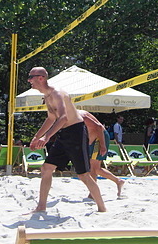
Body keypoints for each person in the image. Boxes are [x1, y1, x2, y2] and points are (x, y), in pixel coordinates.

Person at [27, 67, 106, 212]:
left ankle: (102, 208)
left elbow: (63, 117)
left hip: (76, 132)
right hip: (64, 133)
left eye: (31, 77)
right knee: (46, 168)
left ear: (41, 78)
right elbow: (51, 118)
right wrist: (36, 137)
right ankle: (41, 206)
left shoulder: (57, 93)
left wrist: (47, 137)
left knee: (83, 175)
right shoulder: (47, 96)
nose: (29, 80)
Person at [81, 110, 124, 198]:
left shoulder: (80, 115)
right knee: (96, 168)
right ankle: (118, 181)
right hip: (93, 138)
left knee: (93, 166)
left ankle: (93, 193)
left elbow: (99, 127)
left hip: (99, 137)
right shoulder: (70, 116)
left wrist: (102, 145)